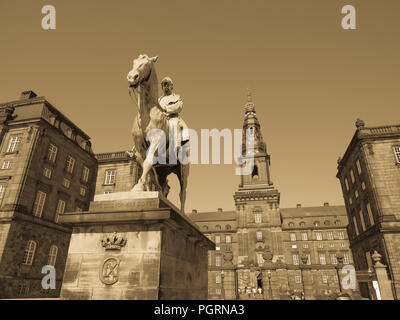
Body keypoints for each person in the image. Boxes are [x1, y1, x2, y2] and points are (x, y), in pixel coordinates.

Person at [158, 77, 189, 153]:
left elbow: (178, 107)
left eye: (167, 84)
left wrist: (166, 109)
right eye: (164, 84)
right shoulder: (159, 100)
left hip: (172, 117)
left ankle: (177, 145)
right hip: (160, 119)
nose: (165, 86)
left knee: (174, 123)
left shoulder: (176, 97)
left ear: (171, 86)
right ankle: (136, 149)